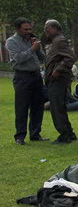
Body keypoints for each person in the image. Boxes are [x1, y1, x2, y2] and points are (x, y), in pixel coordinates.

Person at [6, 17, 47, 145]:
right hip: (22, 77)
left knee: (37, 106)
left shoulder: (32, 41)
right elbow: (18, 58)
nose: (28, 31)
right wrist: (32, 49)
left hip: (36, 75)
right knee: (22, 107)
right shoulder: (11, 42)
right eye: (25, 29)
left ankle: (35, 134)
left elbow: (42, 58)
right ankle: (20, 136)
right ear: (18, 29)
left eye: (30, 29)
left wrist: (38, 47)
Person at [44, 19, 77, 144]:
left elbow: (71, 56)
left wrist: (58, 70)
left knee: (56, 108)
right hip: (57, 80)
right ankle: (69, 133)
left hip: (57, 80)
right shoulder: (56, 41)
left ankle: (64, 135)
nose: (45, 31)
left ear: (54, 28)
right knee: (60, 107)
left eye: (47, 28)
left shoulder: (59, 41)